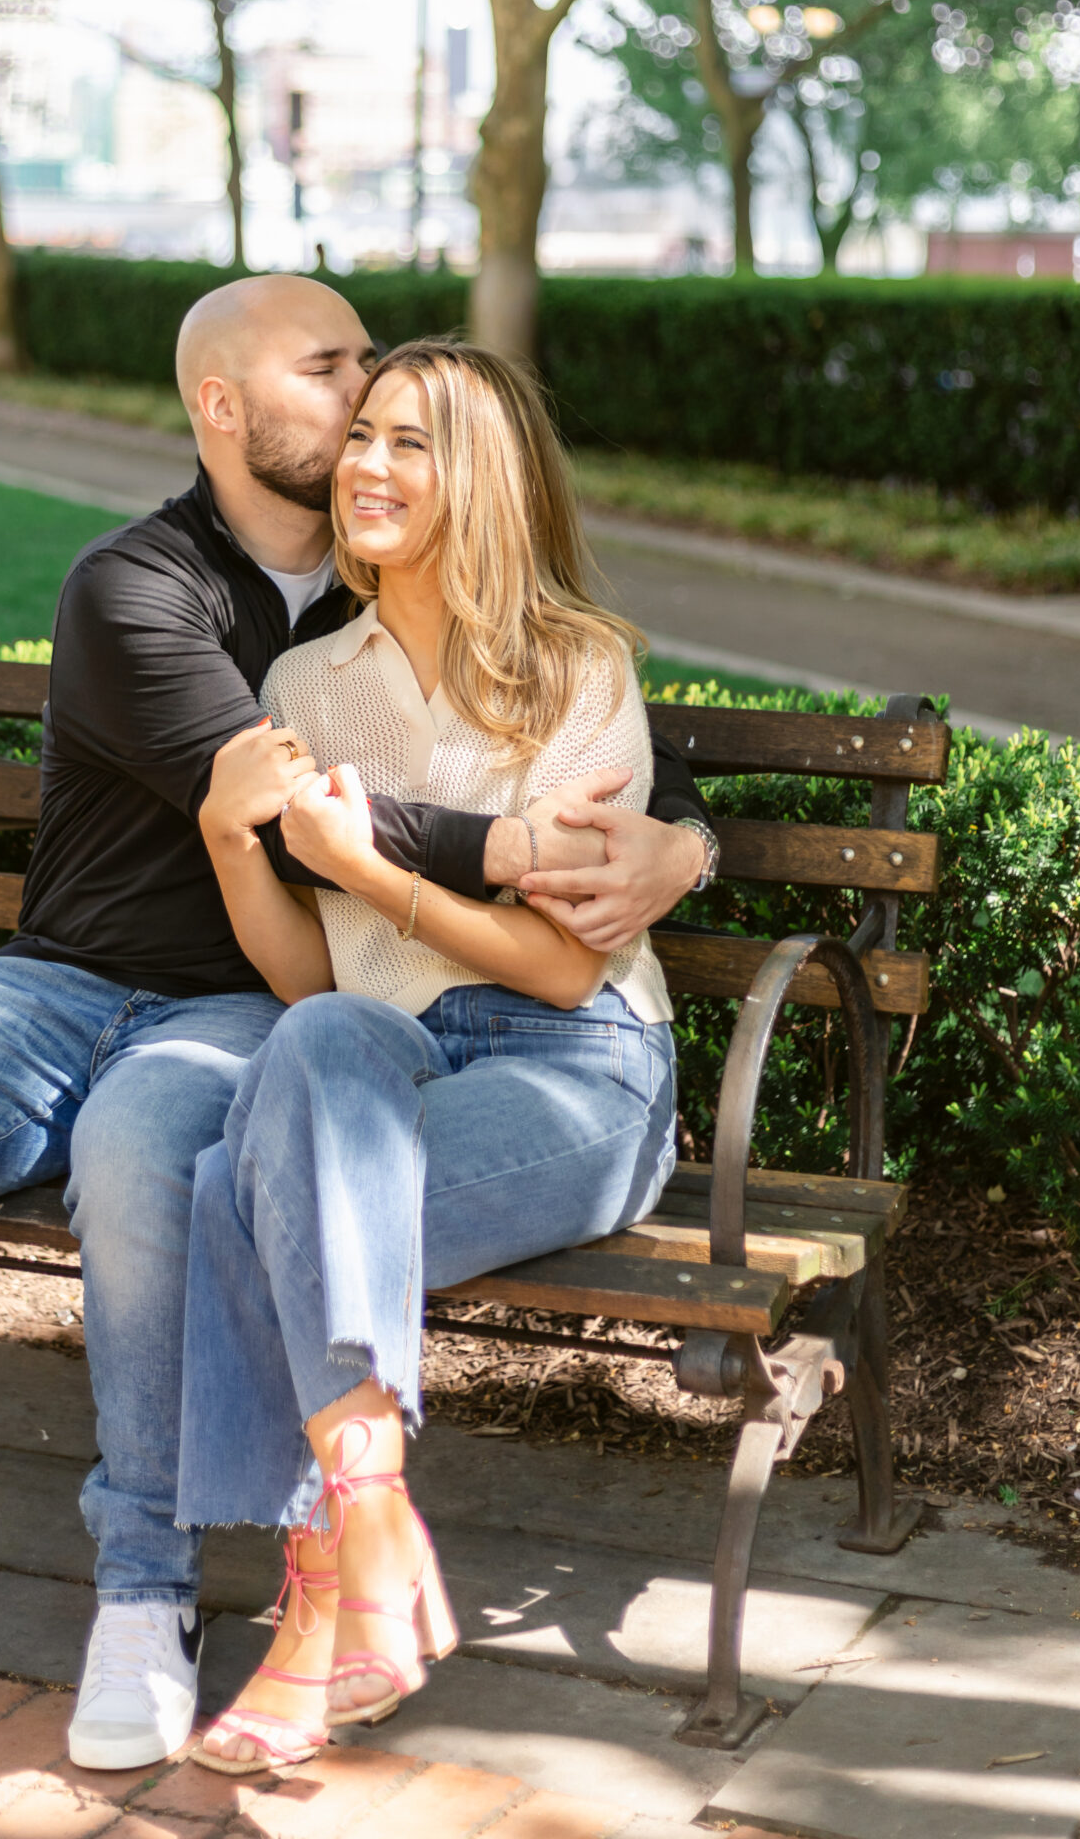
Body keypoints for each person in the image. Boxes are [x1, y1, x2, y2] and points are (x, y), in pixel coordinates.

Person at [0, 279, 712, 1771]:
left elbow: (582, 785)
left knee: (178, 1169)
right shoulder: (162, 599)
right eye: (340, 385)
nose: (365, 422)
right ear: (224, 409)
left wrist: (680, 843)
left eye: (393, 413)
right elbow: (305, 831)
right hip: (89, 985)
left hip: (290, 1019)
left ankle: (163, 1590)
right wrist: (431, 852)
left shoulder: (492, 636)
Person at [178, 341, 680, 1774]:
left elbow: (567, 961)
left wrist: (374, 869)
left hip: (578, 1070)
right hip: (387, 1058)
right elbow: (311, 976)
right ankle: (369, 1518)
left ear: (486, 481)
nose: (370, 467)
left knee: (235, 1190)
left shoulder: (577, 672)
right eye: (363, 438)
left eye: (414, 443)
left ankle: (315, 1606)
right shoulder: (303, 682)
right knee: (322, 1033)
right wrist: (233, 838)